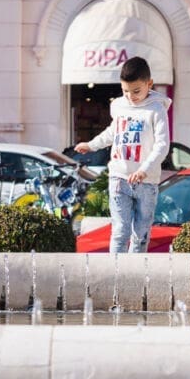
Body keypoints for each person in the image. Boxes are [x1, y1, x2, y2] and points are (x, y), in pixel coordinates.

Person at [76, 56, 170, 253]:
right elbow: (113, 132)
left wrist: (144, 170)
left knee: (141, 235)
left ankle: (135, 271)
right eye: (125, 91)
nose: (130, 96)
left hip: (146, 182)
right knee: (120, 231)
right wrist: (91, 145)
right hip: (119, 177)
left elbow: (162, 145)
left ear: (149, 84)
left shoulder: (156, 109)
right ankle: (116, 271)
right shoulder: (119, 106)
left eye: (136, 91)